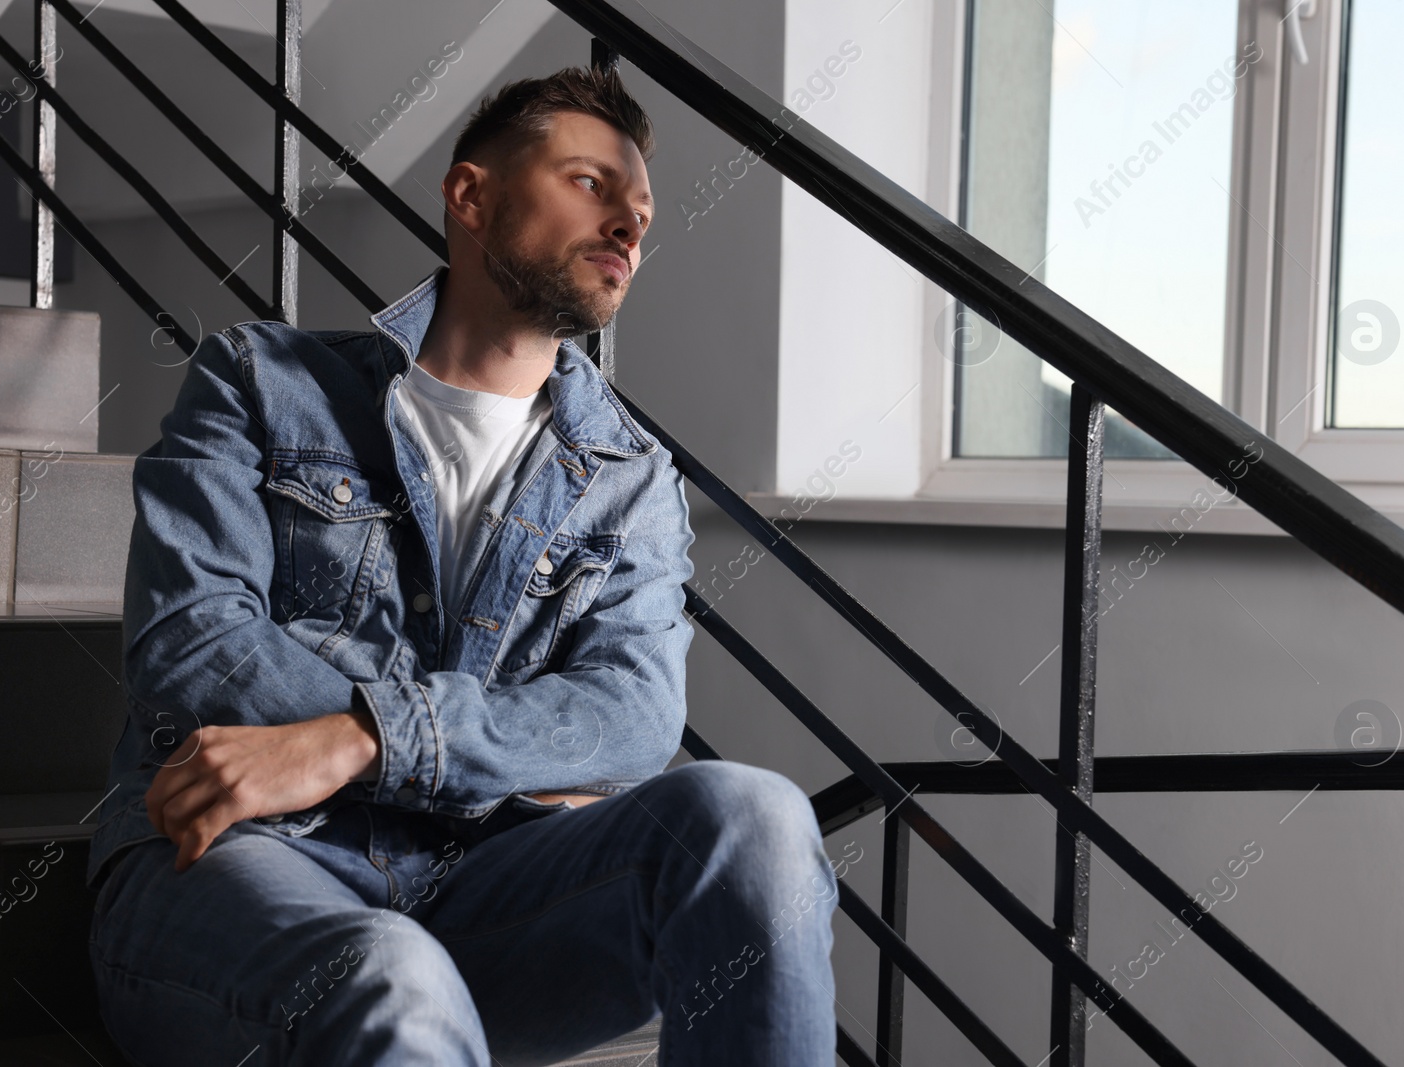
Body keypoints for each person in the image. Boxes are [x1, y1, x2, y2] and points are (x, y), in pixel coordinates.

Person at [85, 64, 839, 1066]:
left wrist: (364, 737)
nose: (628, 226)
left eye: (641, 209)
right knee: (392, 970)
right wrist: (505, 751)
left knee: (755, 816)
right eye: (589, 183)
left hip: (487, 893)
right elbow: (193, 648)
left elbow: (631, 712)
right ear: (471, 195)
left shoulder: (629, 475)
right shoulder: (260, 382)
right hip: (239, 860)